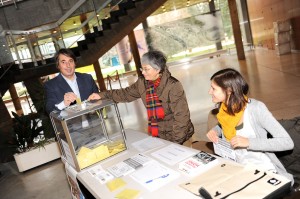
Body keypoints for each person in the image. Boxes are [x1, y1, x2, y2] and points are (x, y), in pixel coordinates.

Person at [206, 68, 294, 183]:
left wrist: (249, 142)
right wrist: (215, 131)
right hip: (238, 167)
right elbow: (226, 126)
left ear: (229, 91)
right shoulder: (223, 109)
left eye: (213, 88)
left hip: (264, 171)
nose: (209, 92)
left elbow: (287, 142)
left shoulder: (256, 109)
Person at [88, 50, 194, 144]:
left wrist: (174, 143)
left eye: (146, 69)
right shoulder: (142, 83)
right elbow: (124, 94)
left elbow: (182, 118)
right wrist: (101, 95)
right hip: (158, 136)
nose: (142, 72)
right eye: (141, 68)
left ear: (158, 69)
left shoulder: (173, 85)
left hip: (179, 137)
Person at [44, 48, 99, 114]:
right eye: (63, 62)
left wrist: (95, 102)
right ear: (58, 65)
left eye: (70, 61)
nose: (68, 65)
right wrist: (64, 104)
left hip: (94, 122)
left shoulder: (87, 78)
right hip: (70, 124)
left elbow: (99, 103)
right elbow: (49, 110)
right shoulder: (51, 85)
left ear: (75, 63)